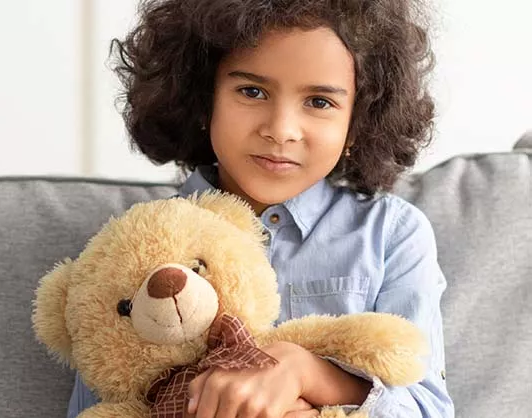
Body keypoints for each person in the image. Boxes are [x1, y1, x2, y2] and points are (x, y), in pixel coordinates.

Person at [67, 0, 454, 416]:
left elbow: (426, 406)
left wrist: (307, 373)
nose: (281, 130)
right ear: (203, 100)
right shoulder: (137, 244)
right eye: (252, 91)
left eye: (320, 102)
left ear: (357, 123)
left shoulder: (391, 235)